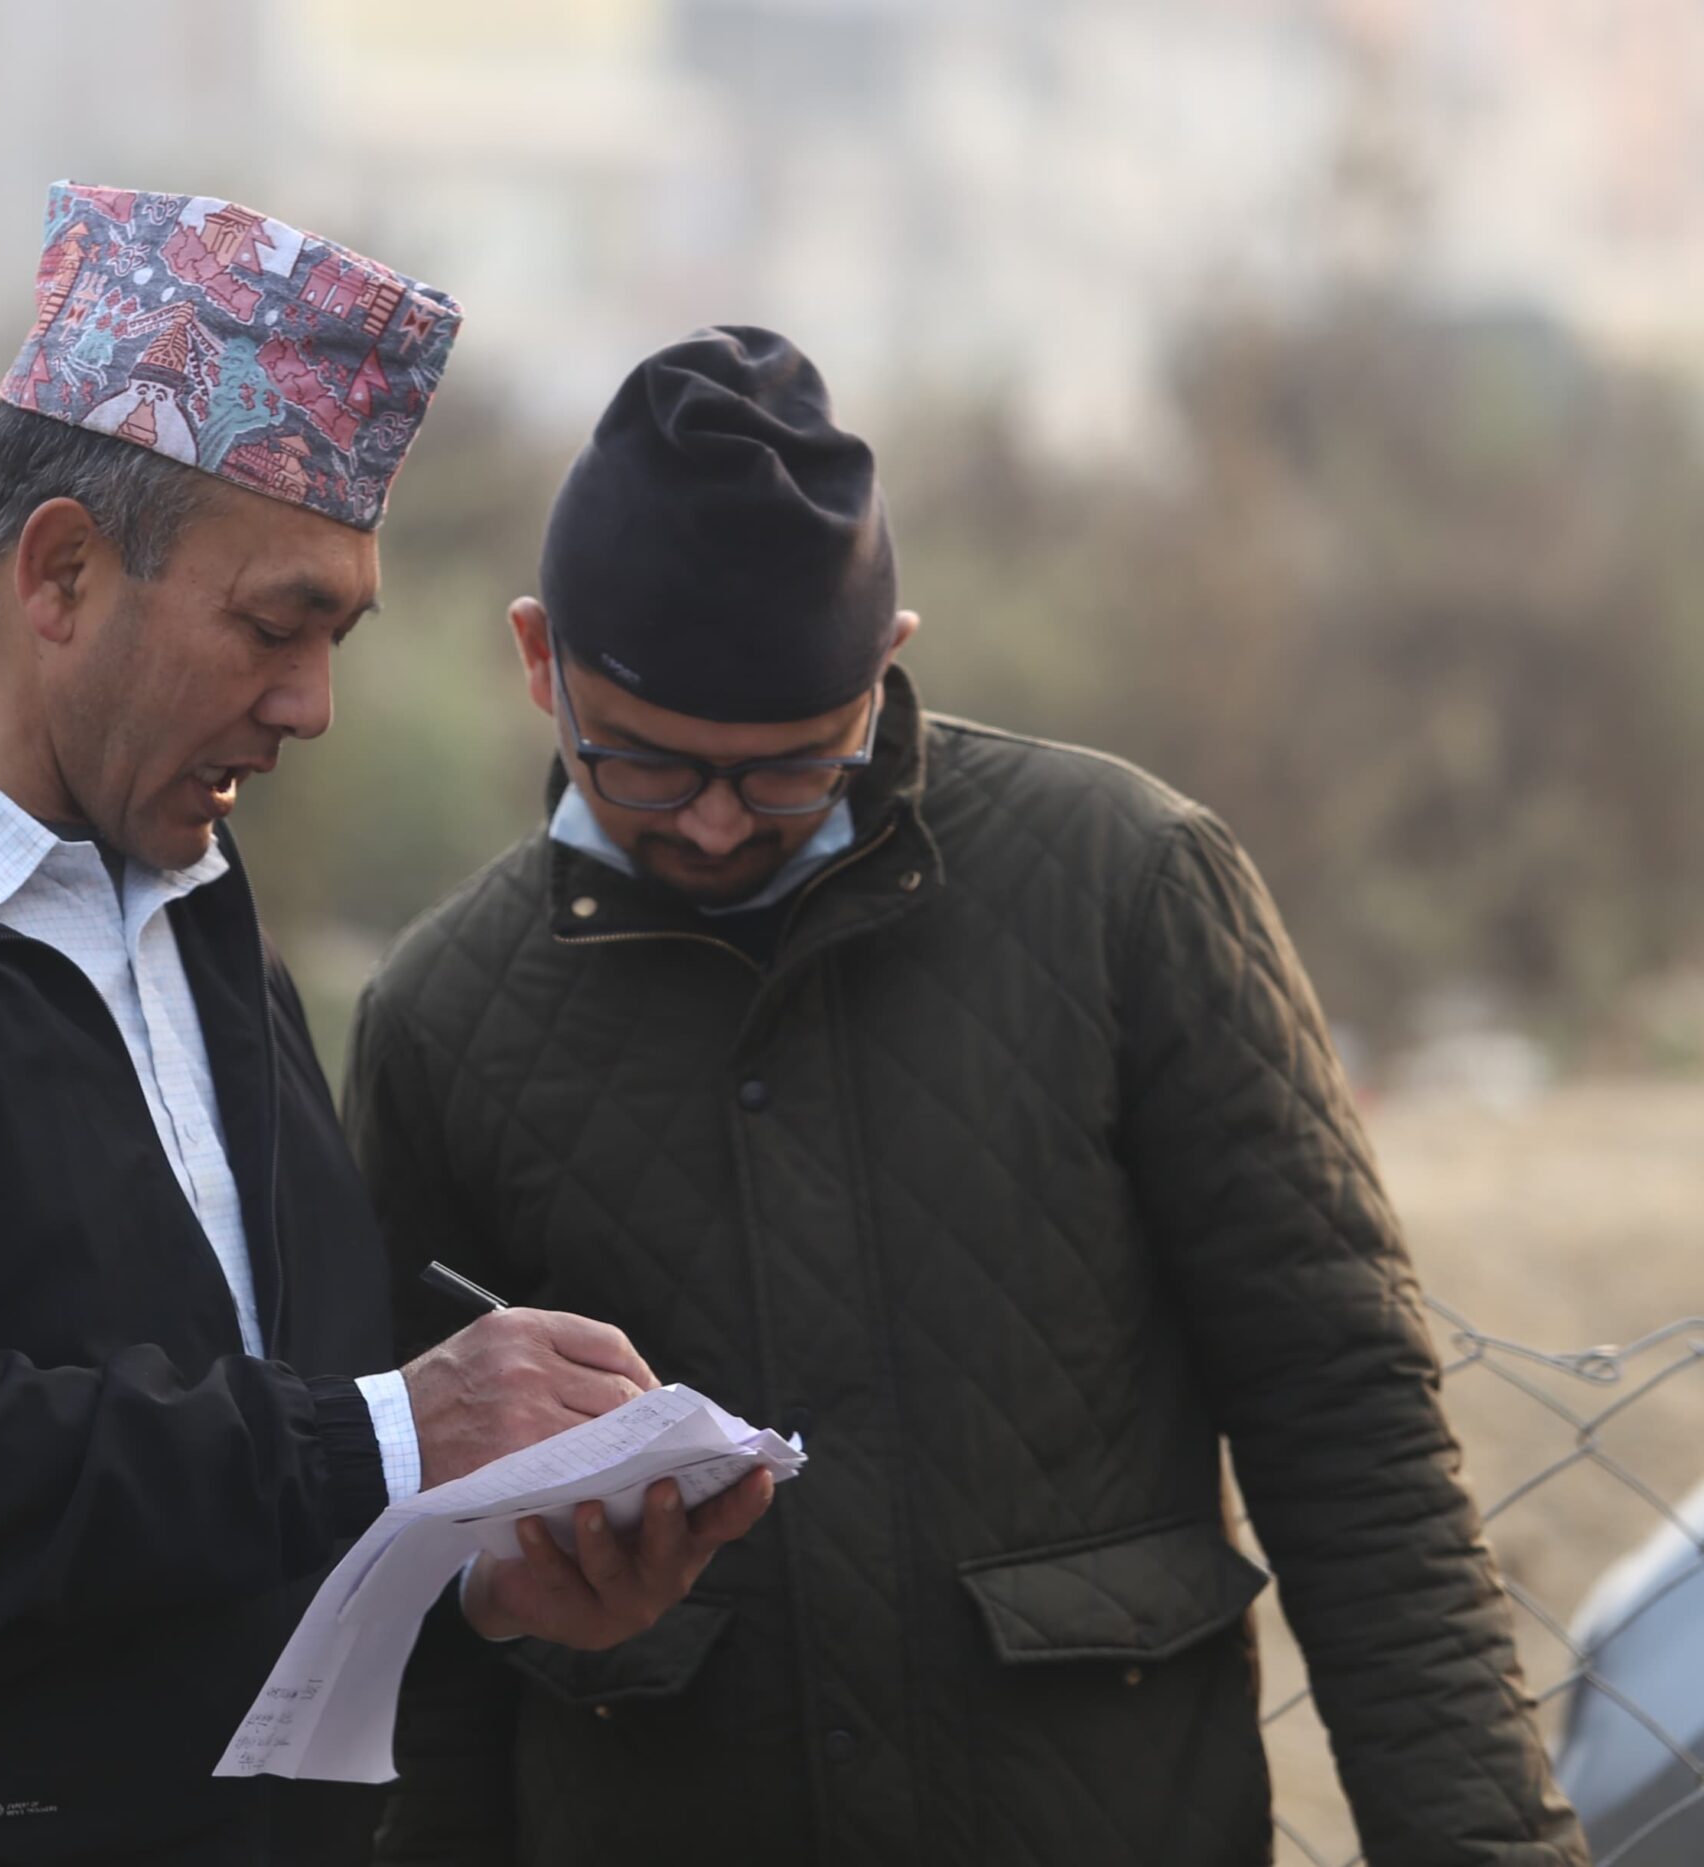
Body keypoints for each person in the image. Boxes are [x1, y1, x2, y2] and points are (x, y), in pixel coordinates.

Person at [0, 189, 766, 1867]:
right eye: (273, 628)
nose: (311, 707)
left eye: (337, 639)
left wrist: (492, 1574)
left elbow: (249, 1468)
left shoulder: (188, 900)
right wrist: (397, 1430)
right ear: (61, 572)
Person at [347, 325, 1588, 1866]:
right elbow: (421, 1596)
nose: (720, 826)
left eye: (791, 769)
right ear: (539, 660)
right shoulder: (441, 1017)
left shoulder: (1129, 891)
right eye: (649, 767)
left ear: (889, 662)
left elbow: (1350, 1431)